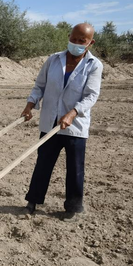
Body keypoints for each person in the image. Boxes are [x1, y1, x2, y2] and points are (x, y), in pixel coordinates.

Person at [21, 22, 103, 220]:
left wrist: (73, 113)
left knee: (75, 168)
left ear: (90, 42)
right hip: (50, 122)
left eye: (81, 41)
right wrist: (30, 104)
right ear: (68, 36)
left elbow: (91, 96)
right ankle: (33, 201)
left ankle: (73, 207)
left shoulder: (94, 65)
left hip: (74, 126)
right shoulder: (53, 60)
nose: (76, 43)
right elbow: (39, 85)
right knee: (43, 163)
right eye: (73, 39)